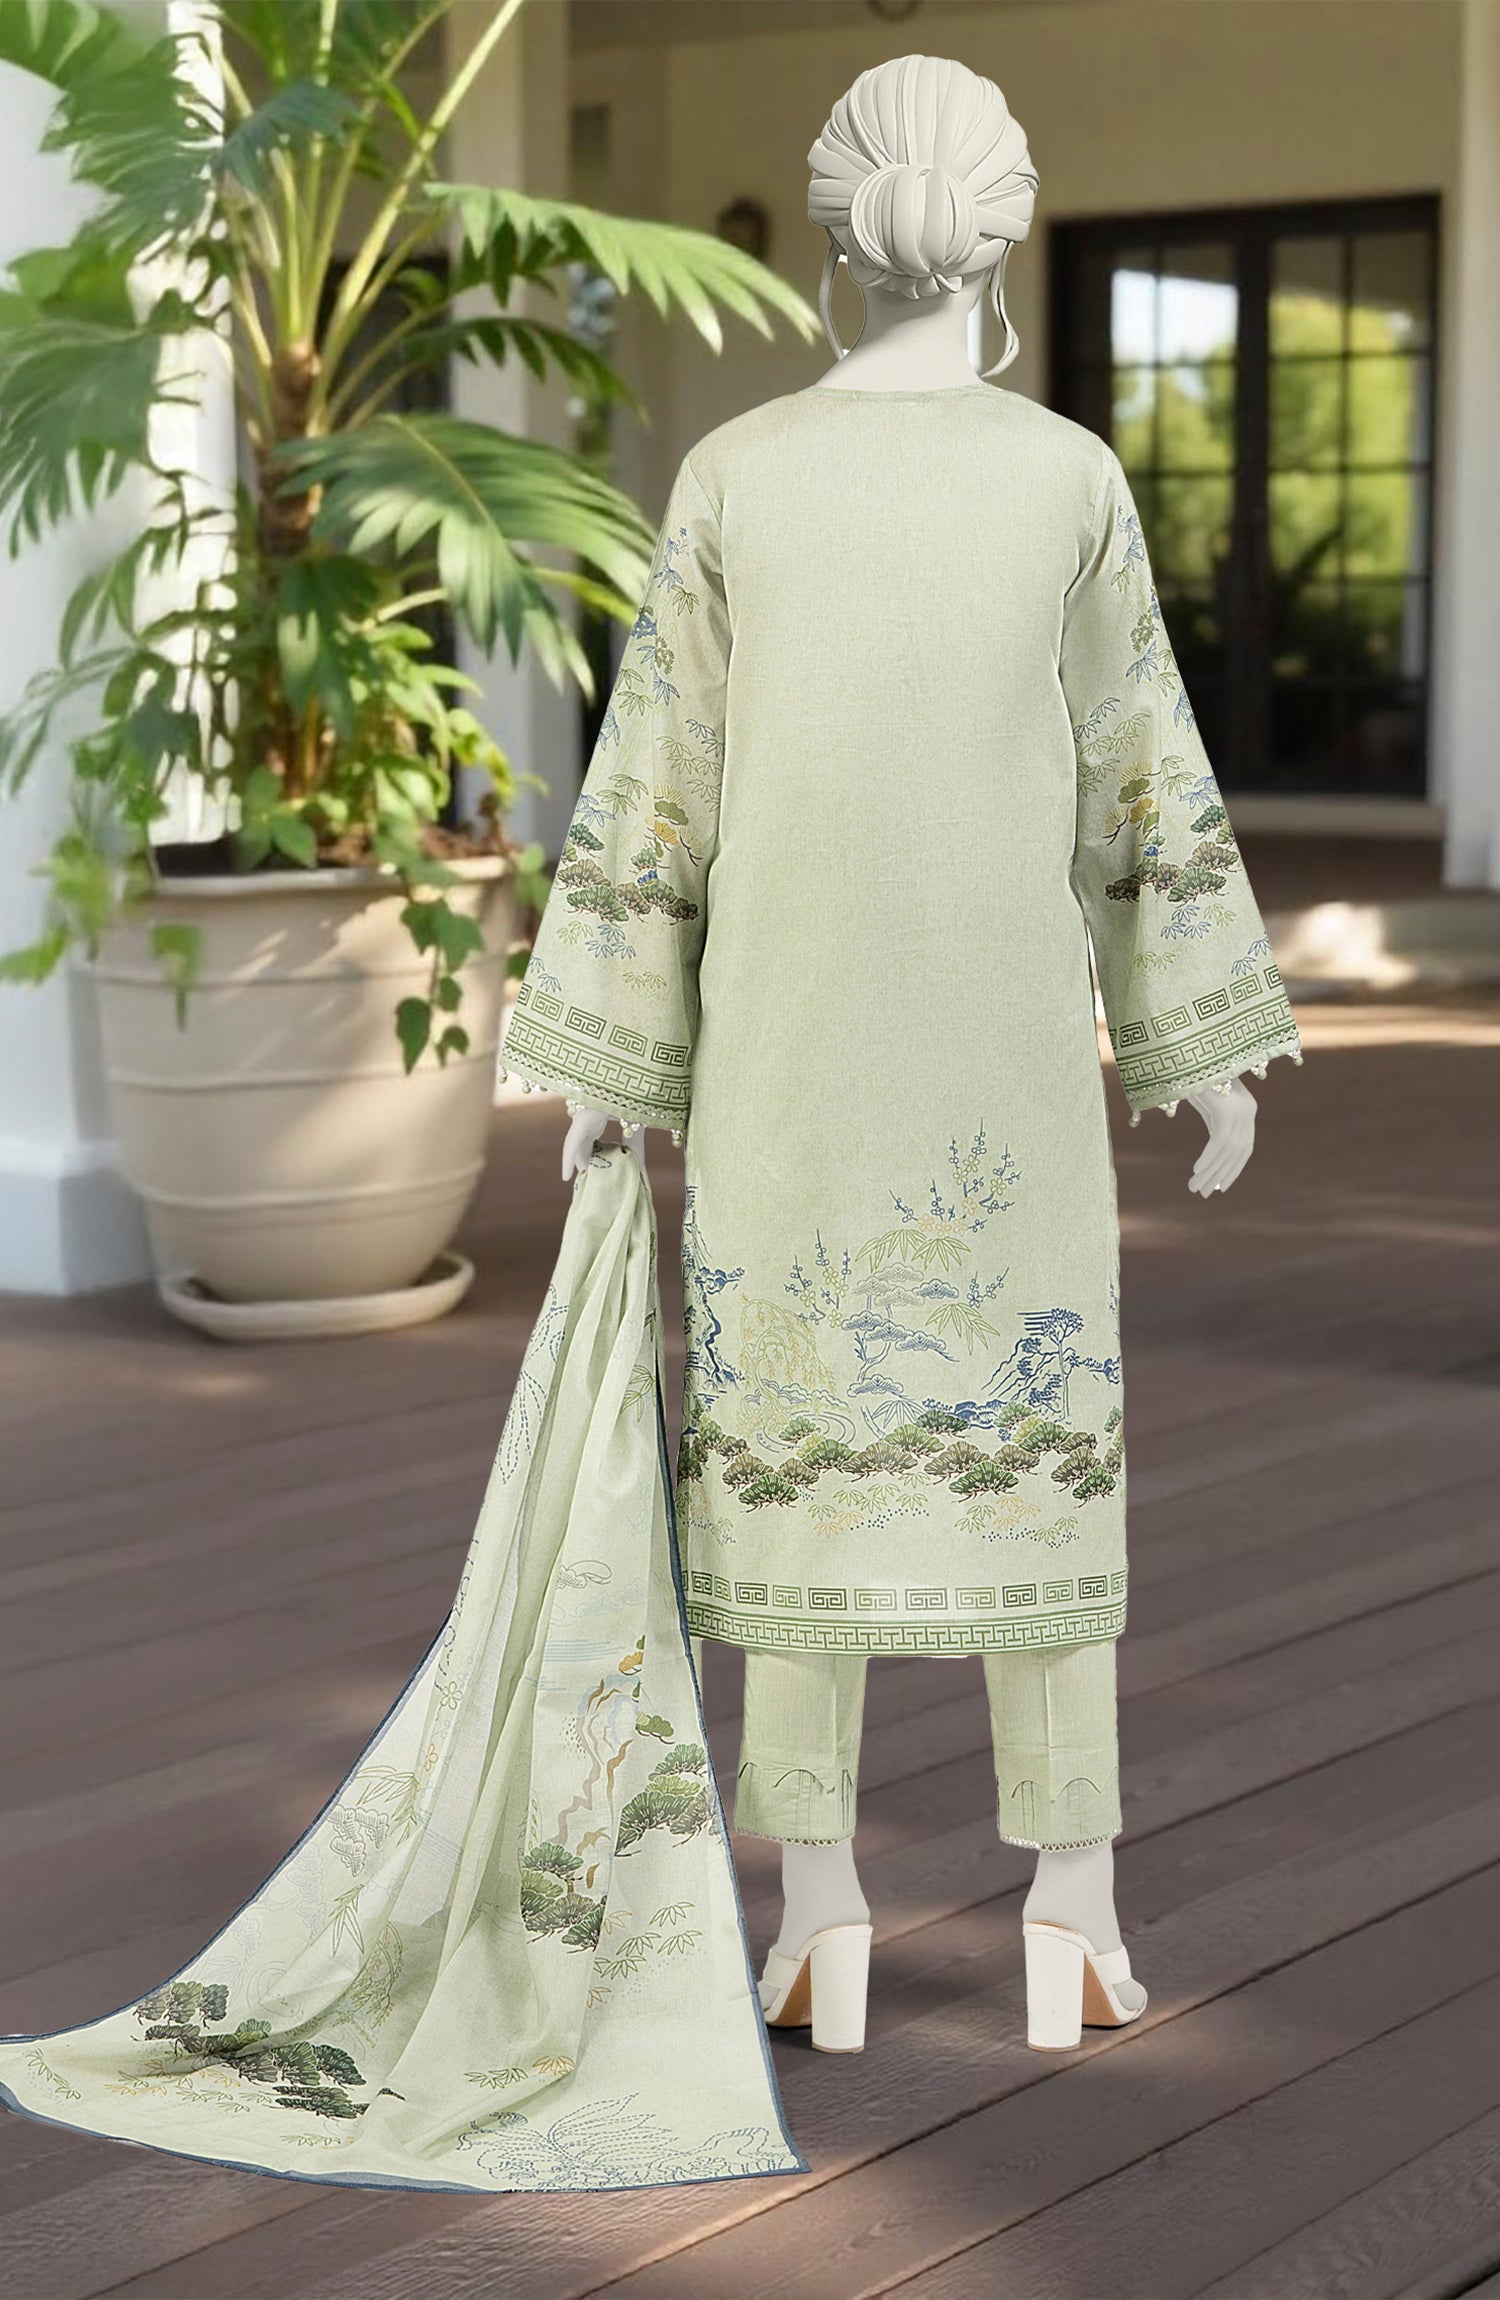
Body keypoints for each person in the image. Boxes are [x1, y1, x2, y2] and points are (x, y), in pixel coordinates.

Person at [502, 52, 1301, 2056]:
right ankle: (1075, 1913)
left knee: (790, 1474)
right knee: (1042, 1463)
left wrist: (609, 1065)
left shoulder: (733, 476)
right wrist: (1201, 1038)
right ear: (1004, 230)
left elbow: (658, 792)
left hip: (785, 1058)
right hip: (1003, 1068)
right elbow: (1139, 778)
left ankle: (819, 1921)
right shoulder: (1068, 479)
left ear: (836, 237)